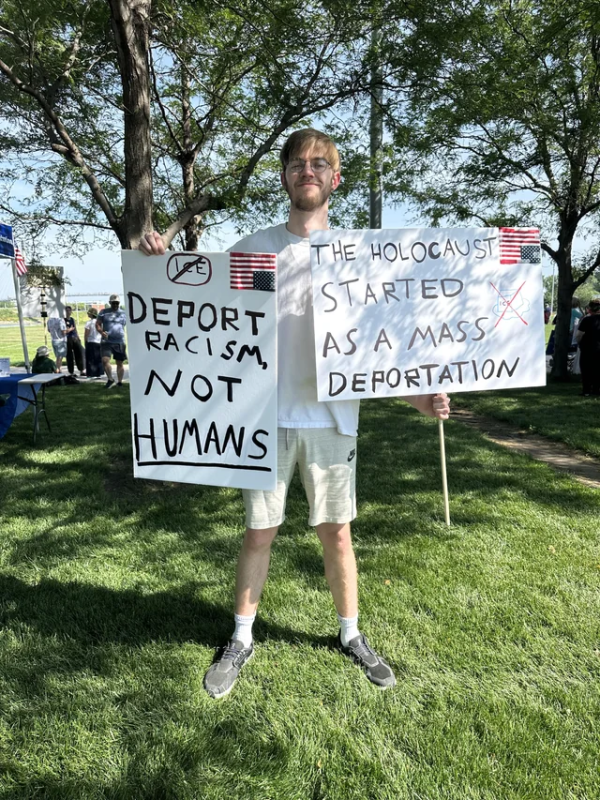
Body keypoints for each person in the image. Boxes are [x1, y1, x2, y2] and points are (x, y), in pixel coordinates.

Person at [139, 128, 451, 700]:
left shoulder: (361, 258)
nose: (307, 171)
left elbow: (378, 351)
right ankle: (241, 637)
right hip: (263, 420)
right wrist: (157, 267)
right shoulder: (252, 248)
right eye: (297, 163)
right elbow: (195, 306)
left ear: (335, 179)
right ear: (284, 176)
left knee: (338, 534)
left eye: (319, 163)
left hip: (333, 422)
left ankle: (351, 635)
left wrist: (419, 397)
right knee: (260, 531)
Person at [97, 294, 127, 388]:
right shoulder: (103, 312)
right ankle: (110, 379)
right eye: (113, 303)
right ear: (110, 303)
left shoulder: (123, 313)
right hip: (106, 341)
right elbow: (98, 324)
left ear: (119, 303)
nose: (115, 305)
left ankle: (120, 382)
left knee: (120, 362)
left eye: (117, 303)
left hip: (119, 341)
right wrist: (101, 332)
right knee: (105, 360)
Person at [575, 297, 600, 396]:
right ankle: (596, 390)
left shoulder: (587, 320)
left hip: (588, 348)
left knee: (586, 370)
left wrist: (579, 342)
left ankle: (586, 390)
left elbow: (579, 335)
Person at [64, 305, 86, 377]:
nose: (68, 312)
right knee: (69, 355)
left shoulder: (72, 319)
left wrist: (78, 337)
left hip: (74, 337)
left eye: (69, 310)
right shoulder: (63, 320)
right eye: (66, 310)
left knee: (79, 353)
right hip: (67, 338)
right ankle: (71, 372)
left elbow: (75, 328)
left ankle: (82, 369)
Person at [84, 307, 103, 378]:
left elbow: (86, 334)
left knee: (90, 358)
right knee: (98, 358)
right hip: (98, 341)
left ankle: (91, 373)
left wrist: (85, 341)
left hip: (91, 341)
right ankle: (98, 373)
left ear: (91, 314)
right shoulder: (99, 322)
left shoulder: (89, 323)